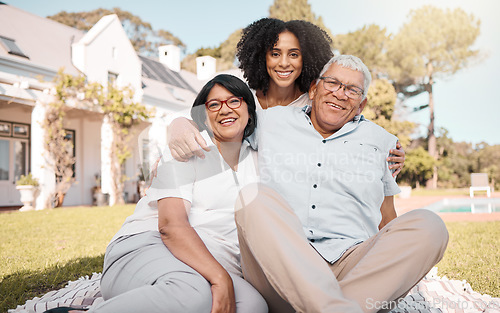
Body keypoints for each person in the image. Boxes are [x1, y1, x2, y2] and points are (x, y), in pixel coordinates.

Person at [234, 55, 449, 313]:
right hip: (282, 267)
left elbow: (387, 217)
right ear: (313, 89)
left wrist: (396, 259)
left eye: (352, 90)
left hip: (352, 268)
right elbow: (217, 122)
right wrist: (181, 125)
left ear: (362, 103)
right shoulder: (269, 121)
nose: (340, 93)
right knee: (252, 197)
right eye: (333, 83)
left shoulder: (383, 142)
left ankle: (332, 306)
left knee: (430, 225)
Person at [43, 74, 267, 313]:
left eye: (234, 101)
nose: (225, 109)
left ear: (250, 111)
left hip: (211, 263)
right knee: (191, 294)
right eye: (214, 104)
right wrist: (220, 278)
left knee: (253, 307)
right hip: (150, 245)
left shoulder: (259, 161)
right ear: (204, 116)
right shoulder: (186, 149)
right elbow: (170, 226)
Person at [167, 18, 406, 173]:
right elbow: (205, 119)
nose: (284, 63)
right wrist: (177, 125)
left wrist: (390, 150)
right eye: (275, 53)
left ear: (307, 58)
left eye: (294, 54)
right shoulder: (242, 98)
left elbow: (350, 125)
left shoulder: (314, 104)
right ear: (262, 56)